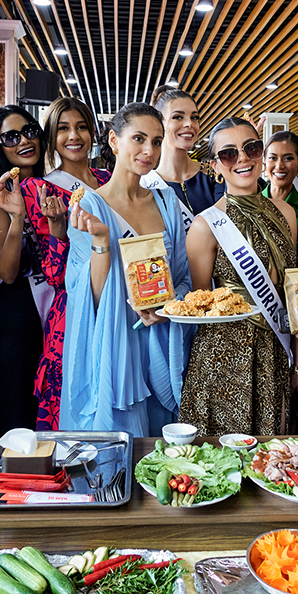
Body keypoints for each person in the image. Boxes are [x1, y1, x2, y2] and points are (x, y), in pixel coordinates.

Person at [62, 102, 192, 438]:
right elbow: (86, 294)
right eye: (138, 138)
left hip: (161, 339)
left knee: (163, 447)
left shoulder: (166, 203)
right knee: (122, 446)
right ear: (114, 140)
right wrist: (102, 239)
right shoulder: (88, 206)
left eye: (157, 141)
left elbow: (182, 278)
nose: (149, 150)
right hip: (116, 339)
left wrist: (168, 308)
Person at [180, 117, 298, 436]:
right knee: (223, 457)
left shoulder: (287, 213)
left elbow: (291, 289)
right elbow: (201, 302)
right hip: (225, 355)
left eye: (251, 148)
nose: (243, 158)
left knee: (269, 455)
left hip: (275, 347)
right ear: (215, 166)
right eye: (229, 154)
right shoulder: (205, 225)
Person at [23, 97, 110, 430]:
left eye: (81, 127)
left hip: (116, 299)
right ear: (52, 138)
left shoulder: (109, 179)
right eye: (63, 129)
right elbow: (54, 274)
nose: (74, 136)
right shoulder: (40, 188)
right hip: (73, 307)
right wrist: (58, 229)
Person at [0, 105, 46, 434]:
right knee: (18, 422)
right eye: (11, 137)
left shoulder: (51, 188)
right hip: (17, 322)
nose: (24, 141)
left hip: (53, 316)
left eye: (30, 131)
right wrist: (17, 217)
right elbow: (8, 272)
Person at [141, 85, 225, 229]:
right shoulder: (145, 186)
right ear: (160, 123)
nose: (189, 124)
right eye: (178, 117)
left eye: (194, 117)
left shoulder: (214, 175)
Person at [263, 130, 298, 238]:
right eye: (273, 158)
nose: (279, 165)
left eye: (288, 158)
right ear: (265, 161)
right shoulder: (250, 202)